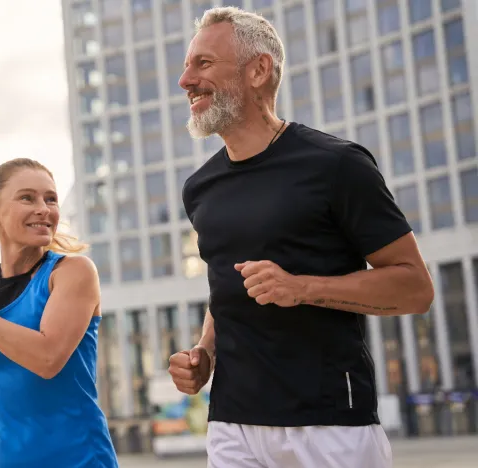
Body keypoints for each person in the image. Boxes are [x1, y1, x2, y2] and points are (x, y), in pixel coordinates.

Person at [168, 7, 435, 468]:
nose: (185, 80)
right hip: (232, 423)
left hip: (331, 424)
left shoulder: (337, 165)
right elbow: (225, 288)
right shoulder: (199, 189)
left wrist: (302, 288)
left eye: (203, 64)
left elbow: (415, 288)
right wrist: (204, 353)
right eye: (189, 65)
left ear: (258, 70)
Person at [0, 158, 118, 468]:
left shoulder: (72, 272)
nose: (44, 208)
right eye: (27, 197)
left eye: (50, 199)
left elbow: (47, 359)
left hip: (77, 459)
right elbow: (10, 387)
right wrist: (4, 436)